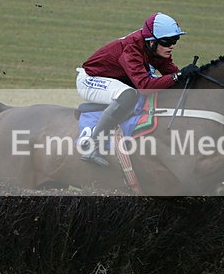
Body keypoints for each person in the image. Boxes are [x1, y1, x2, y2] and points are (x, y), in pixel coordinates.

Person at [75, 12, 199, 166]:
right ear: (151, 42)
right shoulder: (131, 49)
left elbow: (172, 75)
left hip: (115, 78)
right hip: (90, 79)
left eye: (175, 40)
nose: (172, 45)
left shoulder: (155, 48)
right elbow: (145, 86)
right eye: (167, 41)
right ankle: (92, 146)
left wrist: (191, 77)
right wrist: (178, 76)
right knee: (128, 95)